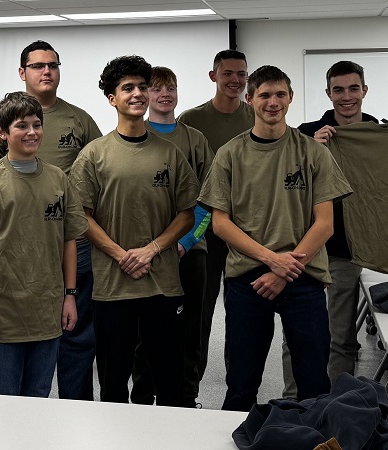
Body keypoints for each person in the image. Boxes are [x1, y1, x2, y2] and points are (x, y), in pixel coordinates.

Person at [197, 65, 352, 411]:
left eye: (280, 94)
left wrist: (284, 268)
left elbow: (324, 224)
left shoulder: (313, 153)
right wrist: (271, 260)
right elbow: (220, 224)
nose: (273, 102)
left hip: (303, 277)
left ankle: (314, 442)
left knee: (313, 382)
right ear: (249, 99)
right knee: (241, 381)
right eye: (265, 95)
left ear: (291, 98)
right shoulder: (230, 155)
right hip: (246, 280)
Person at [71, 56, 199, 406]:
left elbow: (187, 214)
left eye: (143, 87)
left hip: (164, 285)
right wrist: (121, 255)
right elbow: (81, 217)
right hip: (113, 289)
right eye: (128, 88)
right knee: (113, 385)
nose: (138, 93)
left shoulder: (170, 154)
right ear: (112, 98)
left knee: (171, 383)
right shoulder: (93, 155)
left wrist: (152, 250)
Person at [0, 39, 102, 401]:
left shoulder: (78, 118)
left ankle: (73, 407)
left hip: (67, 242)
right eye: (37, 66)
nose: (46, 71)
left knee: (73, 335)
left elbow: (98, 174)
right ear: (23, 73)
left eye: (52, 64)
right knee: (13, 347)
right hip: (13, 244)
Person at [0, 91, 87, 397]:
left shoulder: (58, 180)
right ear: (3, 132)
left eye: (37, 125)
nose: (32, 132)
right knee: (5, 397)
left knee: (38, 395)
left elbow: (69, 242)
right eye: (21, 126)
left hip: (47, 310)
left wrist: (69, 296)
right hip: (3, 314)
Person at [280, 61, 380, 397]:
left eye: (354, 88)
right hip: (304, 247)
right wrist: (313, 149)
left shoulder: (375, 132)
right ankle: (294, 401)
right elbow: (281, 177)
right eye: (339, 89)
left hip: (346, 250)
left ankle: (338, 401)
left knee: (342, 336)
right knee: (298, 333)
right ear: (328, 94)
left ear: (364, 91)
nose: (347, 96)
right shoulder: (305, 133)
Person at [130, 66, 214, 406]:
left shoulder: (194, 140)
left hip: (188, 251)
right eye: (157, 88)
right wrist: (150, 249)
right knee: (145, 330)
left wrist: (186, 241)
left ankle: (185, 396)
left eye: (171, 87)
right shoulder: (134, 135)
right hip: (145, 255)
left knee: (189, 329)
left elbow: (209, 201)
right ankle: (143, 392)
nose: (165, 94)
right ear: (146, 95)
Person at [177, 49, 254, 390]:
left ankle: (240, 389)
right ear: (214, 77)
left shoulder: (257, 117)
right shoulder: (191, 121)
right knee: (200, 315)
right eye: (227, 74)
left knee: (242, 316)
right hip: (205, 232)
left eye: (241, 74)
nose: (235, 80)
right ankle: (189, 388)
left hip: (246, 232)